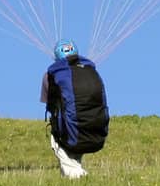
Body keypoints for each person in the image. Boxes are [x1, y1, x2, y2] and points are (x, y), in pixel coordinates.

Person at [40, 40, 109, 178]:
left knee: (60, 146)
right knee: (73, 154)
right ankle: (69, 183)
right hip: (94, 129)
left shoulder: (51, 74)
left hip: (70, 131)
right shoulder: (91, 71)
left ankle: (81, 179)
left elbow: (49, 103)